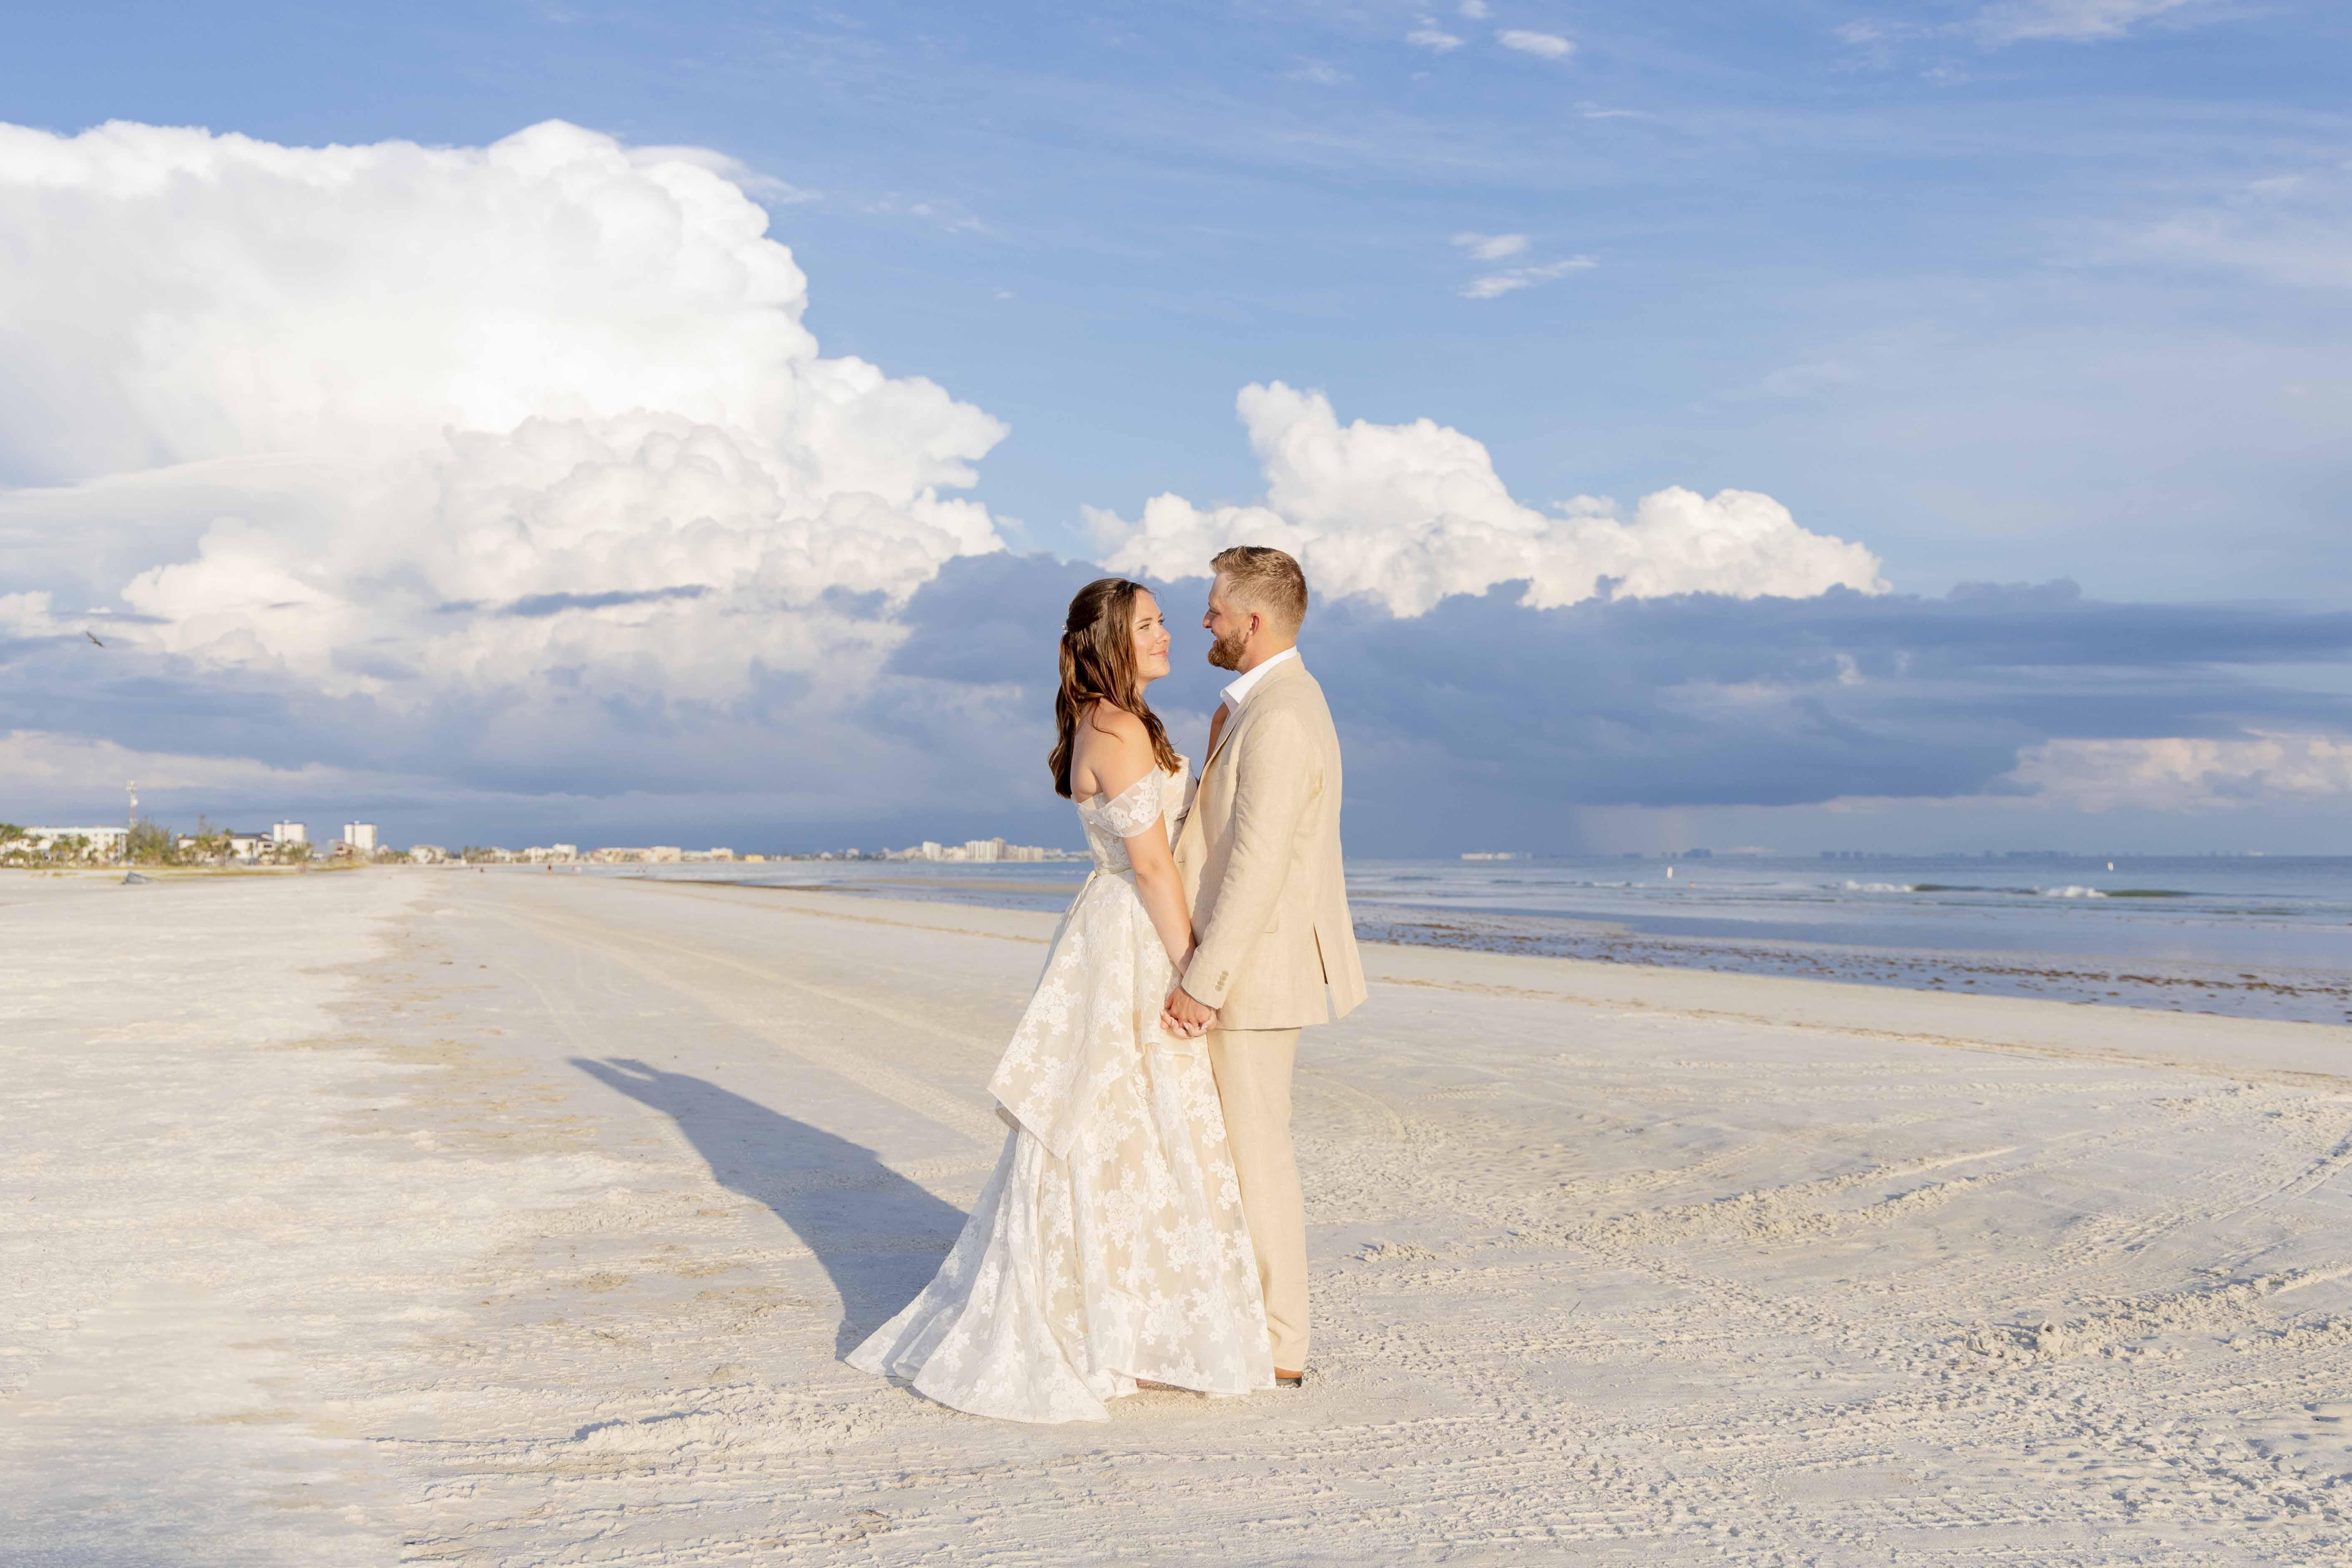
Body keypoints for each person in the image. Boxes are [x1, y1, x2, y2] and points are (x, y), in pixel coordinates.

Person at [848, 577, 1273, 1422]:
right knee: (1123, 1119)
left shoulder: (1114, 720)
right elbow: (1151, 866)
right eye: (1148, 625)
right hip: (1134, 935)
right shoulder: (1116, 728)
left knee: (1128, 1123)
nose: (1166, 635)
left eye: (1163, 622)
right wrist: (1194, 970)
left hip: (1116, 926)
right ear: (1111, 639)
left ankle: (1126, 1316)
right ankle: (1108, 1324)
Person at [1163, 545, 1366, 1389]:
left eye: (1214, 608)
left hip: (1253, 972)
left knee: (1256, 1155)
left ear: (1252, 620)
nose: (1203, 620)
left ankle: (1281, 1340)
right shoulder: (1258, 706)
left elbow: (1257, 864)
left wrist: (1201, 981)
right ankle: (1246, 1322)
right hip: (1246, 965)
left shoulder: (1280, 715)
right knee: (1237, 1152)